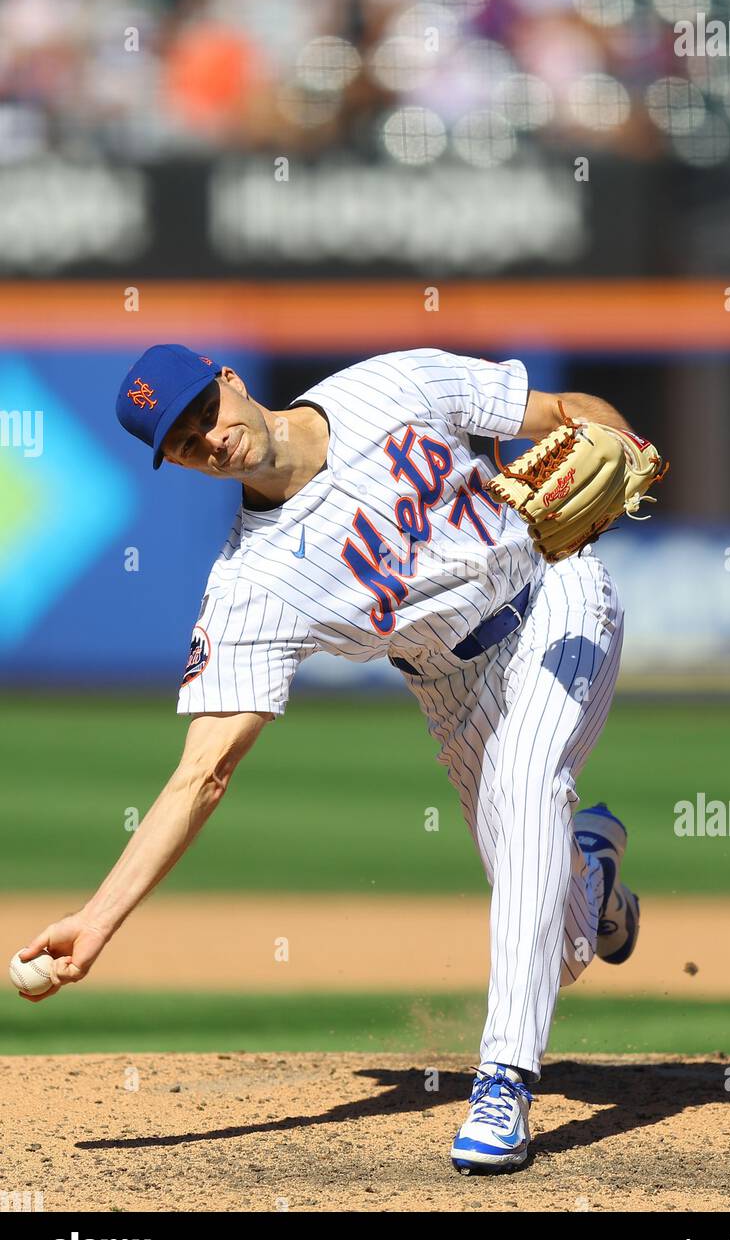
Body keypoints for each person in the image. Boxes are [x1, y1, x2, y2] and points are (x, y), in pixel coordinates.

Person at [18, 343, 640, 1174]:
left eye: (206, 410)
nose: (210, 437)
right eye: (182, 441)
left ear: (229, 380)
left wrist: (623, 441)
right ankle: (589, 872)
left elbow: (566, 411)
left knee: (530, 780)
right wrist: (97, 920)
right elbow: (202, 773)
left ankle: (503, 1083)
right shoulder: (251, 589)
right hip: (454, 694)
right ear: (172, 459)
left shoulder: (394, 381)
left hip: (557, 596)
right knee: (558, 945)